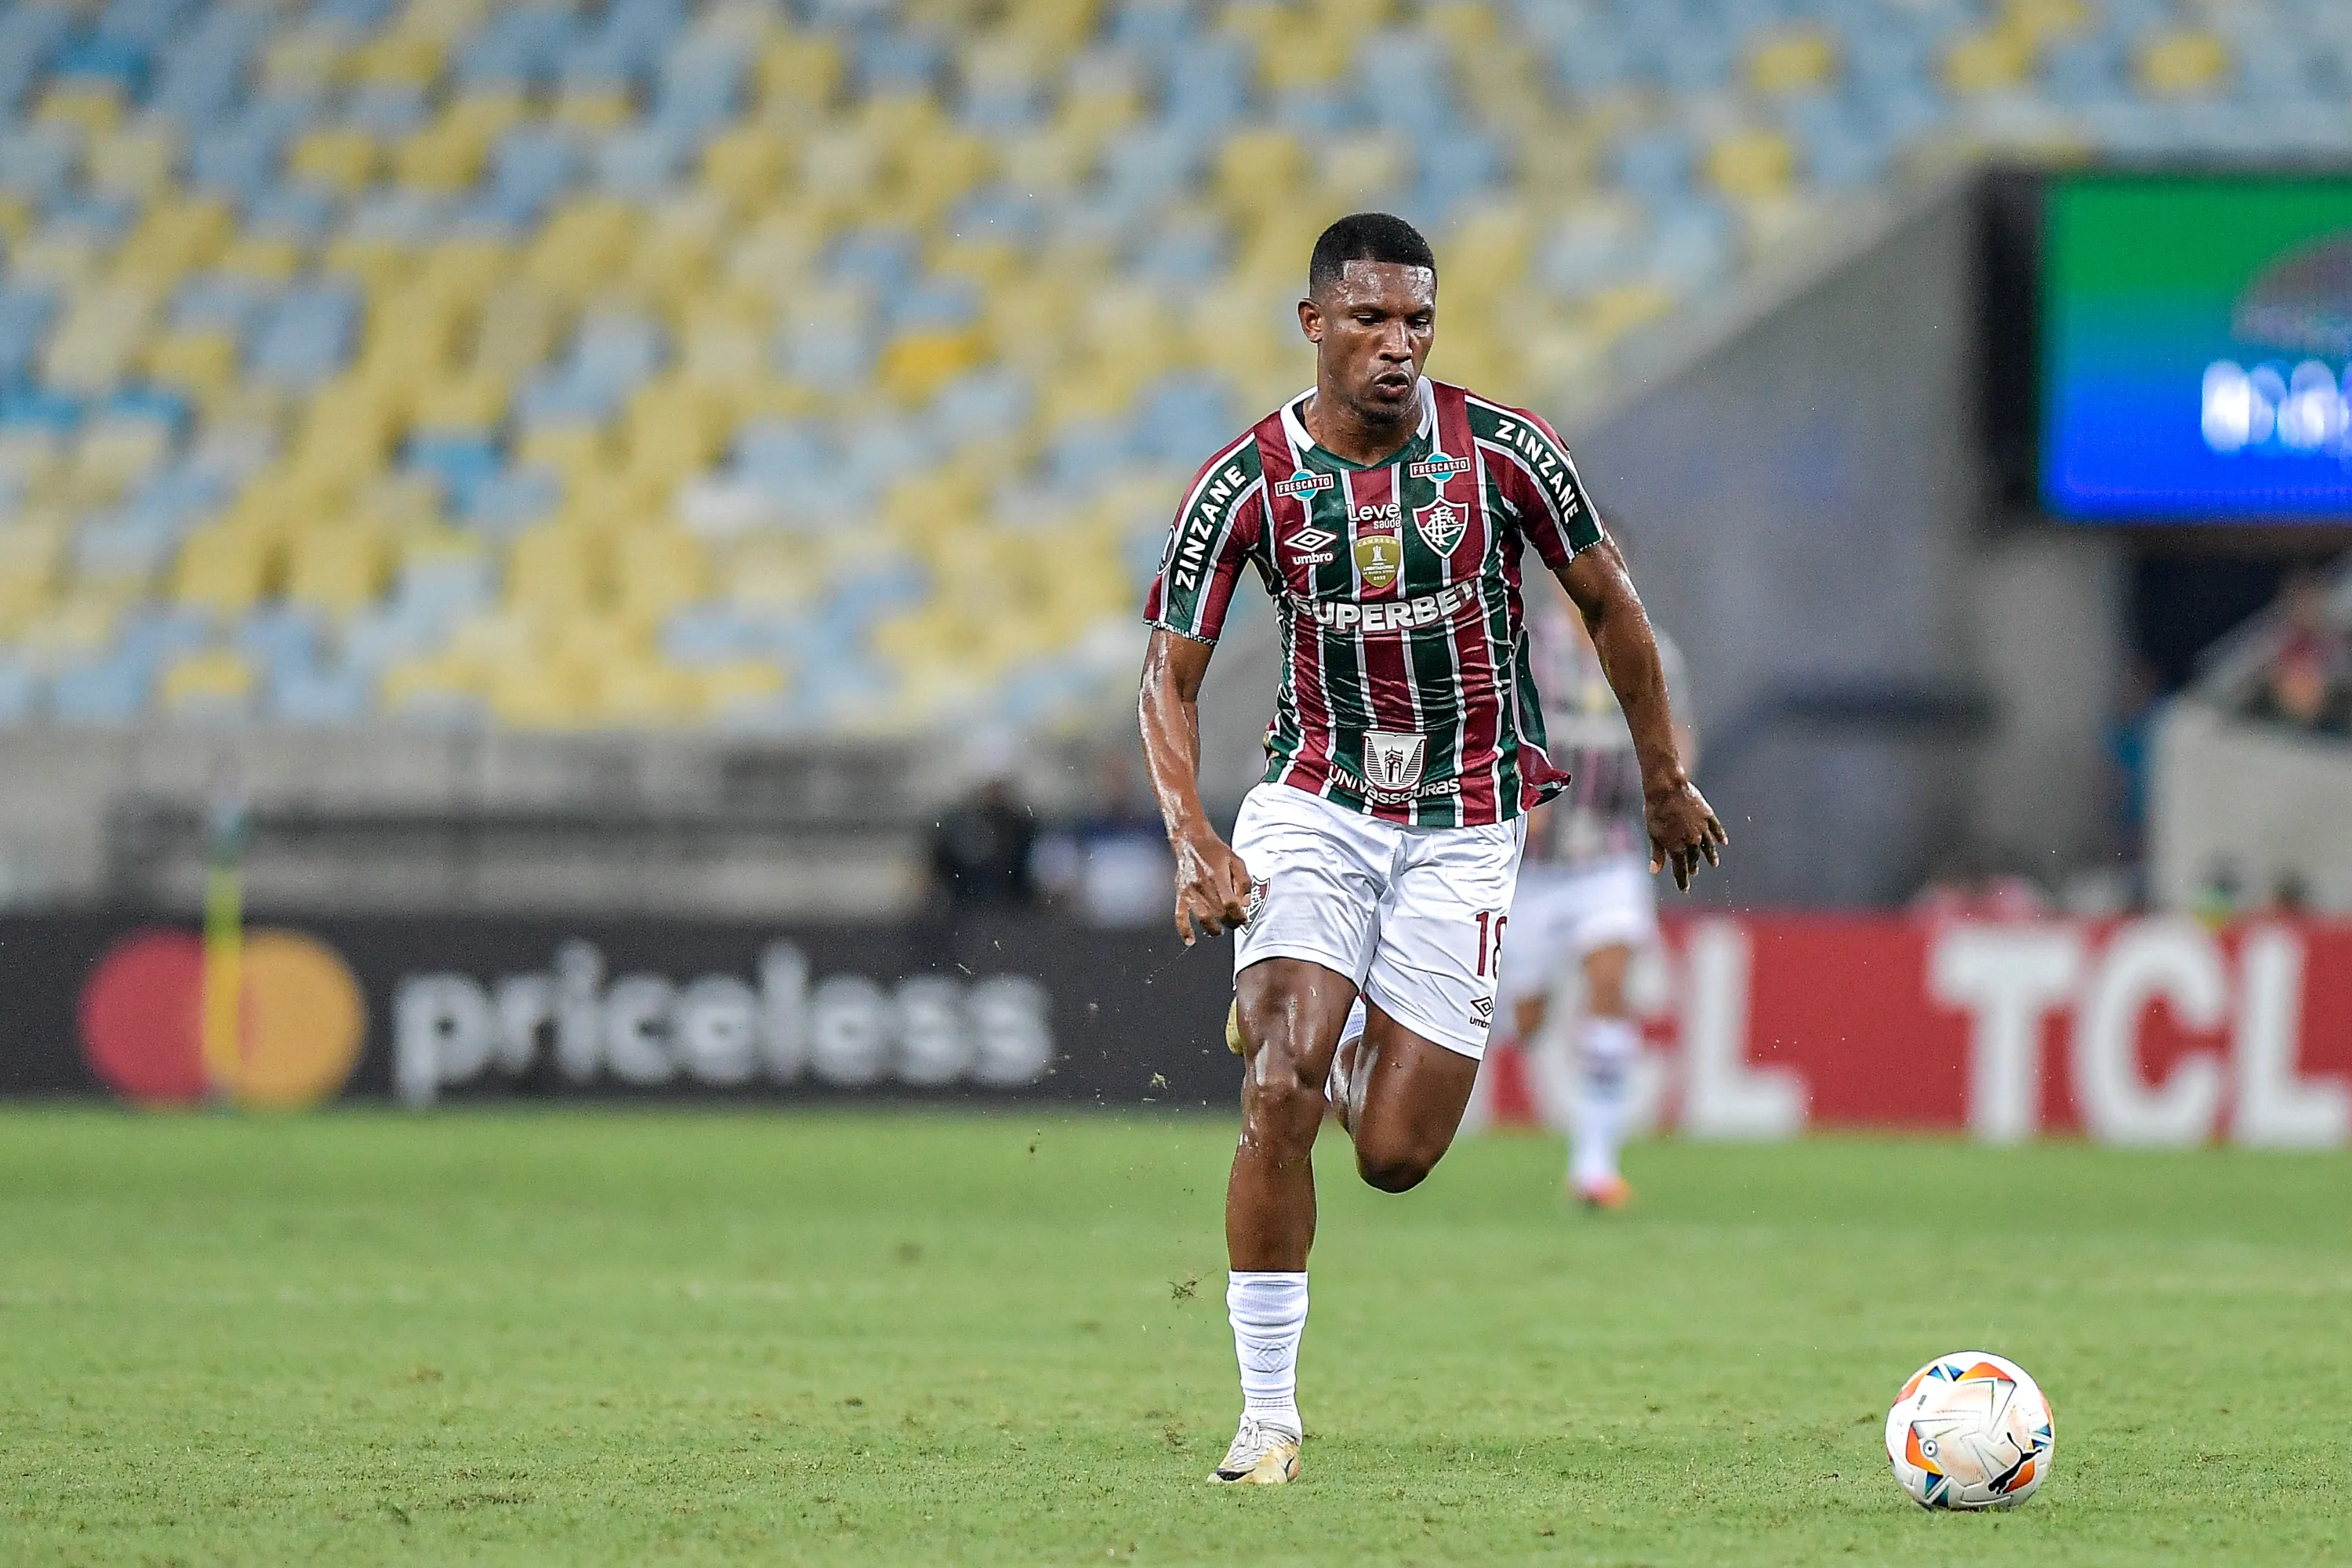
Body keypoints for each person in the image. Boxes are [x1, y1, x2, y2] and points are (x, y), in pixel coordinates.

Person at [1136, 212, 1725, 1486]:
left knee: (1395, 1157)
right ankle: (1266, 1417)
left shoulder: (1504, 454)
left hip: (1466, 821)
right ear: (1313, 325)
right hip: (1314, 800)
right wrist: (1192, 836)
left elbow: (1614, 612)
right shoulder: (1245, 483)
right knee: (1282, 1084)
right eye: (1369, 321)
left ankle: (1335, 1027)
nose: (1397, 347)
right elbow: (1166, 678)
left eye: (1418, 323)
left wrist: (1667, 781)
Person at [1494, 571, 1696, 1210]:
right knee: (1524, 1019)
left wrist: (1671, 785)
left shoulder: (1651, 649)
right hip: (1534, 868)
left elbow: (1676, 733)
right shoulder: (1526, 650)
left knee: (1611, 982)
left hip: (1608, 856)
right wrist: (1519, 791)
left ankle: (1594, 1166)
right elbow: (1491, 731)